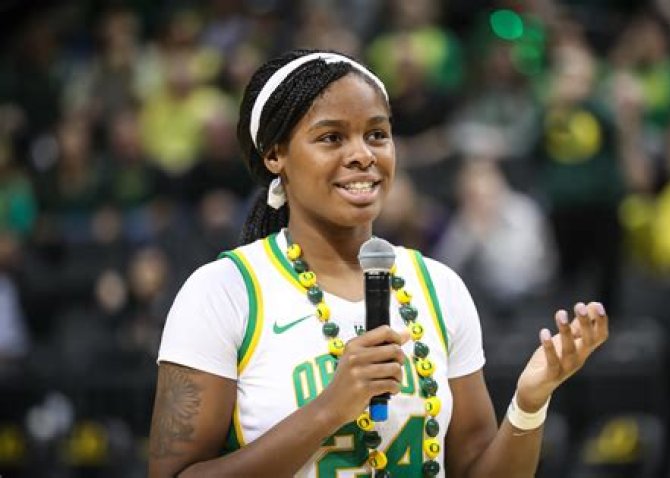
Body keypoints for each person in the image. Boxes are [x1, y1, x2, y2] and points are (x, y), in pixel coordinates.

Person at [148, 49, 609, 478]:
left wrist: (529, 403)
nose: (362, 155)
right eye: (331, 137)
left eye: (376, 135)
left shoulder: (439, 287)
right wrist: (329, 409)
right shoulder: (223, 291)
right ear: (275, 155)